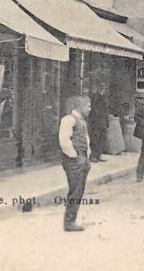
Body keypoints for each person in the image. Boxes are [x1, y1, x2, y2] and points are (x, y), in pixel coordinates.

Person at [58, 95, 92, 231]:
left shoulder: (81, 121)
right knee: (75, 191)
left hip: (82, 160)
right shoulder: (68, 120)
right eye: (88, 106)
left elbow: (86, 140)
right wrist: (75, 156)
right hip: (74, 161)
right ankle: (69, 222)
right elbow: (64, 140)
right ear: (81, 107)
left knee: (79, 191)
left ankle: (72, 220)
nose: (90, 109)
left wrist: (86, 158)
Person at [89, 81, 109, 162]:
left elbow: (106, 110)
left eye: (104, 87)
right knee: (95, 139)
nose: (103, 88)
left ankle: (98, 155)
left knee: (101, 139)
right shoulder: (95, 96)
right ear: (98, 87)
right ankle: (93, 155)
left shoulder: (104, 97)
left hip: (103, 122)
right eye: (101, 86)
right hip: (96, 122)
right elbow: (94, 109)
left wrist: (106, 122)